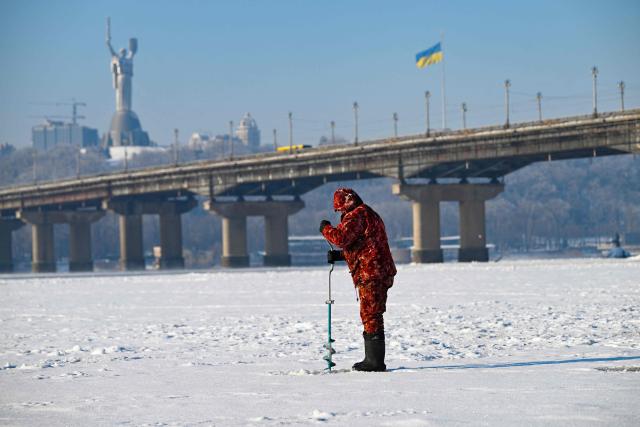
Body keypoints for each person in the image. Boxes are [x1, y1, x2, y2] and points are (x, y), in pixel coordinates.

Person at [319, 188, 396, 372]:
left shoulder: (357, 215)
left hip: (371, 273)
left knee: (371, 314)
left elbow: (341, 237)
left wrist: (325, 228)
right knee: (373, 314)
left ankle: (374, 361)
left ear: (345, 204)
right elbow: (364, 246)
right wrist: (340, 256)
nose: (340, 213)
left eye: (339, 209)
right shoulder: (369, 214)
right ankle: (373, 359)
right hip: (379, 270)